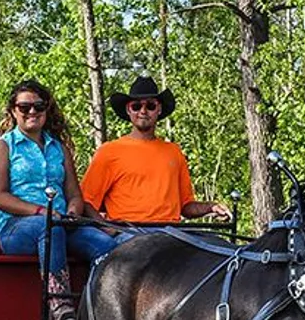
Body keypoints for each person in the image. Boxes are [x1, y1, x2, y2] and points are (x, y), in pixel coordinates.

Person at [0, 79, 117, 320]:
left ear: (47, 110)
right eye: (25, 107)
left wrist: (71, 212)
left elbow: (75, 195)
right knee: (49, 228)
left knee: (106, 245)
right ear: (14, 111)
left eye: (39, 106)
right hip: (17, 227)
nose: (32, 112)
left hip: (61, 223)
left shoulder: (60, 149)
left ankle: (102, 308)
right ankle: (60, 306)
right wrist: (41, 212)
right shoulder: (2, 147)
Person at [80, 75, 231, 228]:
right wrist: (107, 229)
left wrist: (211, 207)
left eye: (150, 106)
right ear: (128, 110)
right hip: (128, 233)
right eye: (136, 106)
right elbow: (86, 201)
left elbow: (186, 206)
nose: (143, 111)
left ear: (159, 109)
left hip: (172, 232)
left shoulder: (174, 152)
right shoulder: (109, 151)